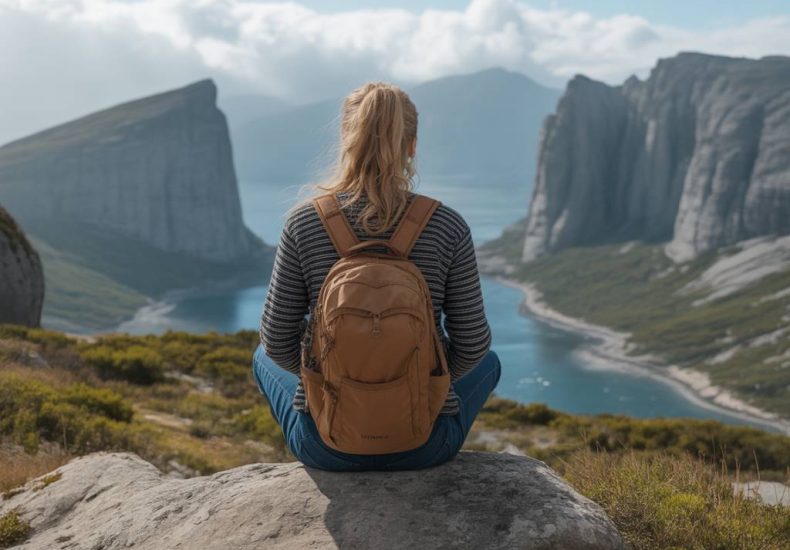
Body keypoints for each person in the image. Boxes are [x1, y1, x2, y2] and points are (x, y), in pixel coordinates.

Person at [253, 81, 500, 471]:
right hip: (424, 446)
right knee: (491, 361)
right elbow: (472, 346)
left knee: (259, 355)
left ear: (347, 140)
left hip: (327, 446)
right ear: (412, 145)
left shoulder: (305, 223)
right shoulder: (446, 226)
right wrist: (426, 382)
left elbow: (277, 343)